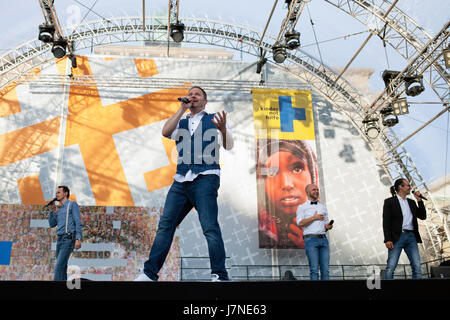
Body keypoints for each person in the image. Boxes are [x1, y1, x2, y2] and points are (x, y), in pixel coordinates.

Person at [135, 86, 233, 282]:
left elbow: (229, 145)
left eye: (197, 94)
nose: (192, 96)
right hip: (181, 180)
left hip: (206, 177)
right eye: (190, 94)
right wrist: (181, 109)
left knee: (209, 226)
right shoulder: (182, 121)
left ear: (205, 101)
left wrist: (222, 129)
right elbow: (165, 132)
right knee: (165, 226)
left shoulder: (214, 118)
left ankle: (219, 275)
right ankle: (149, 274)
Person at [257, 139, 318, 249]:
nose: (287, 184)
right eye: (271, 173)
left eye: (297, 169)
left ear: (313, 174)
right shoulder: (256, 230)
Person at [383, 178, 427, 279]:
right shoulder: (390, 202)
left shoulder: (411, 202)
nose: (410, 188)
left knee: (417, 266)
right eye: (408, 185)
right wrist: (387, 238)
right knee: (391, 266)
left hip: (411, 236)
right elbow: (386, 222)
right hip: (397, 237)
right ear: (400, 187)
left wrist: (419, 201)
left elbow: (422, 216)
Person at [296, 184, 333, 280]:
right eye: (314, 190)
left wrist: (328, 226)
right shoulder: (302, 207)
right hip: (311, 240)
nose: (316, 191)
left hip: (323, 239)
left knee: (325, 270)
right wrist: (314, 217)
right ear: (307, 192)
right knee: (314, 269)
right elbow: (300, 223)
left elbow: (325, 225)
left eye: (317, 190)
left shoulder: (322, 207)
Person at [47, 186, 82, 281]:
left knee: (58, 266)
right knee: (62, 267)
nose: (56, 194)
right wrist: (51, 210)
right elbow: (52, 224)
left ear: (65, 193)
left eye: (58, 192)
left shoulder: (72, 204)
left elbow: (77, 221)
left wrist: (78, 239)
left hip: (68, 238)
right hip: (60, 239)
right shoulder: (58, 209)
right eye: (56, 193)